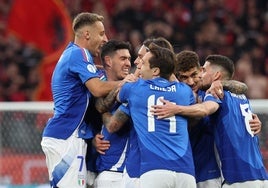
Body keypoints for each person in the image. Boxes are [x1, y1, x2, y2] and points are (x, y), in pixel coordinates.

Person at [40, 12, 133, 188]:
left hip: (73, 136)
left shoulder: (77, 56)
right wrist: (124, 82)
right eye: (101, 33)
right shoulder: (78, 53)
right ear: (87, 34)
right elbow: (97, 88)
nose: (105, 38)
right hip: (66, 136)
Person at [152, 54, 268, 188]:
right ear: (176, 78)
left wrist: (219, 83)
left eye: (194, 74)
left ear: (200, 71)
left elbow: (207, 108)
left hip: (212, 174)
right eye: (184, 77)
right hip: (181, 171)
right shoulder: (171, 96)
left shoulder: (210, 93)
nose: (190, 82)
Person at [105, 43, 197, 188]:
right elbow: (194, 101)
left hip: (155, 170)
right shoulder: (184, 91)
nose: (139, 66)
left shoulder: (133, 89)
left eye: (143, 63)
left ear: (155, 70)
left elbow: (110, 101)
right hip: (186, 172)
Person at [93, 39, 132, 188]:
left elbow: (111, 124)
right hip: (104, 169)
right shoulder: (93, 83)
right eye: (123, 59)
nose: (128, 63)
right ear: (108, 61)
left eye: (129, 58)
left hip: (126, 170)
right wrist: (92, 139)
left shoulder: (133, 86)